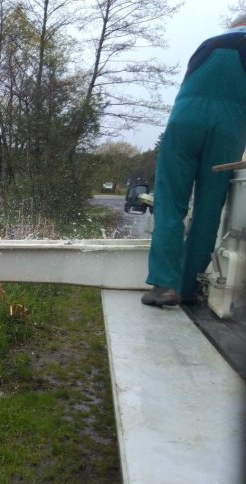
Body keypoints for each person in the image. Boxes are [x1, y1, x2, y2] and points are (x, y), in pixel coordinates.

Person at [142, 15, 246, 307]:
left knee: (171, 205)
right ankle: (189, 287)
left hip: (185, 123)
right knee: (209, 209)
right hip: (229, 130)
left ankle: (165, 286)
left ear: (234, 26)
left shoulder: (208, 44)